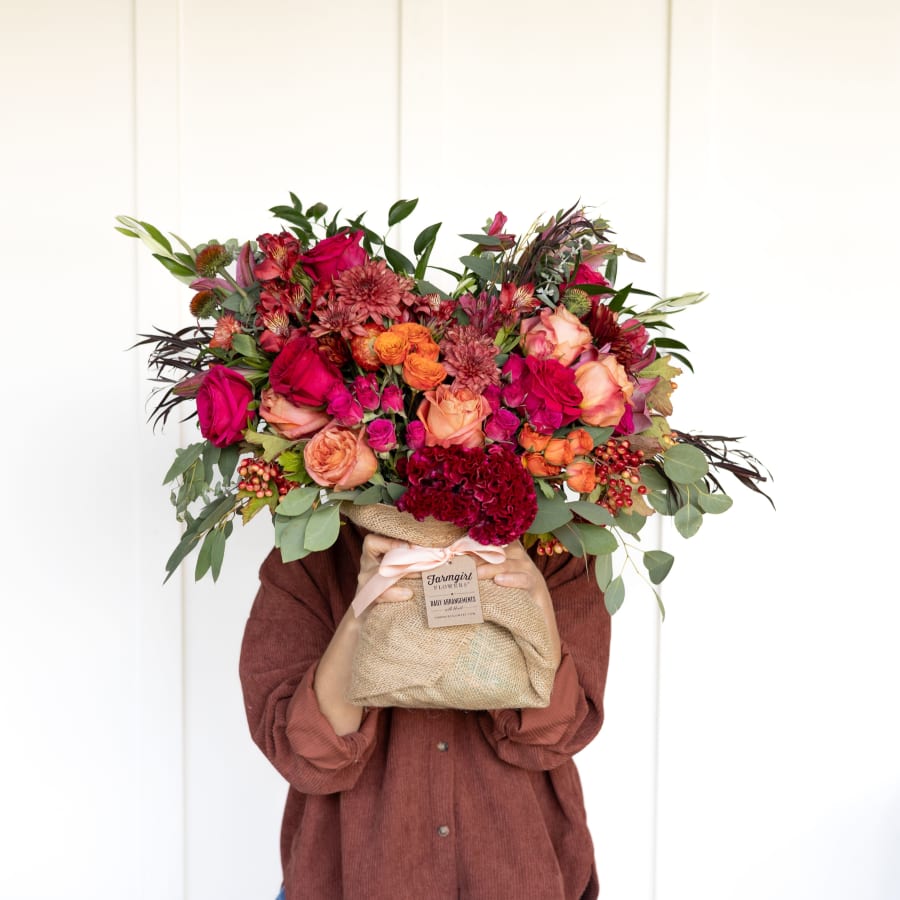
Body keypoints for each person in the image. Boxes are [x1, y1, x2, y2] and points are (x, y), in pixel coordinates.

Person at [239, 515, 612, 900]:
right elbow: (312, 754)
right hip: (354, 877)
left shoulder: (559, 544)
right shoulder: (311, 551)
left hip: (517, 873)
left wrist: (533, 602)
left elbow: (552, 734)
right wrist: (361, 612)